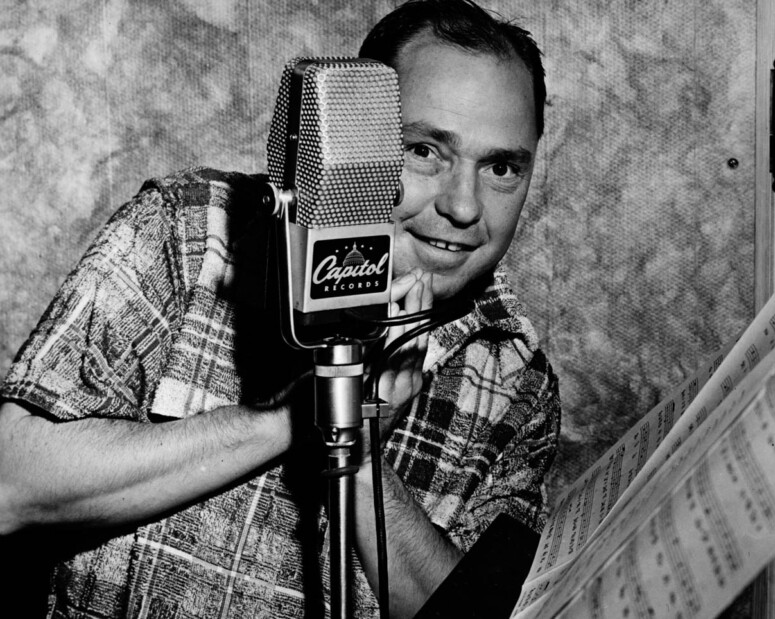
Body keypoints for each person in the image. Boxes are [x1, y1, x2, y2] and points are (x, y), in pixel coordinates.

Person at [0, 0, 561, 617]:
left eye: (501, 167)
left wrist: (364, 458)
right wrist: (300, 418)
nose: (463, 207)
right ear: (351, 134)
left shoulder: (515, 378)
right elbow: (12, 484)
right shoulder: (193, 233)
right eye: (425, 150)